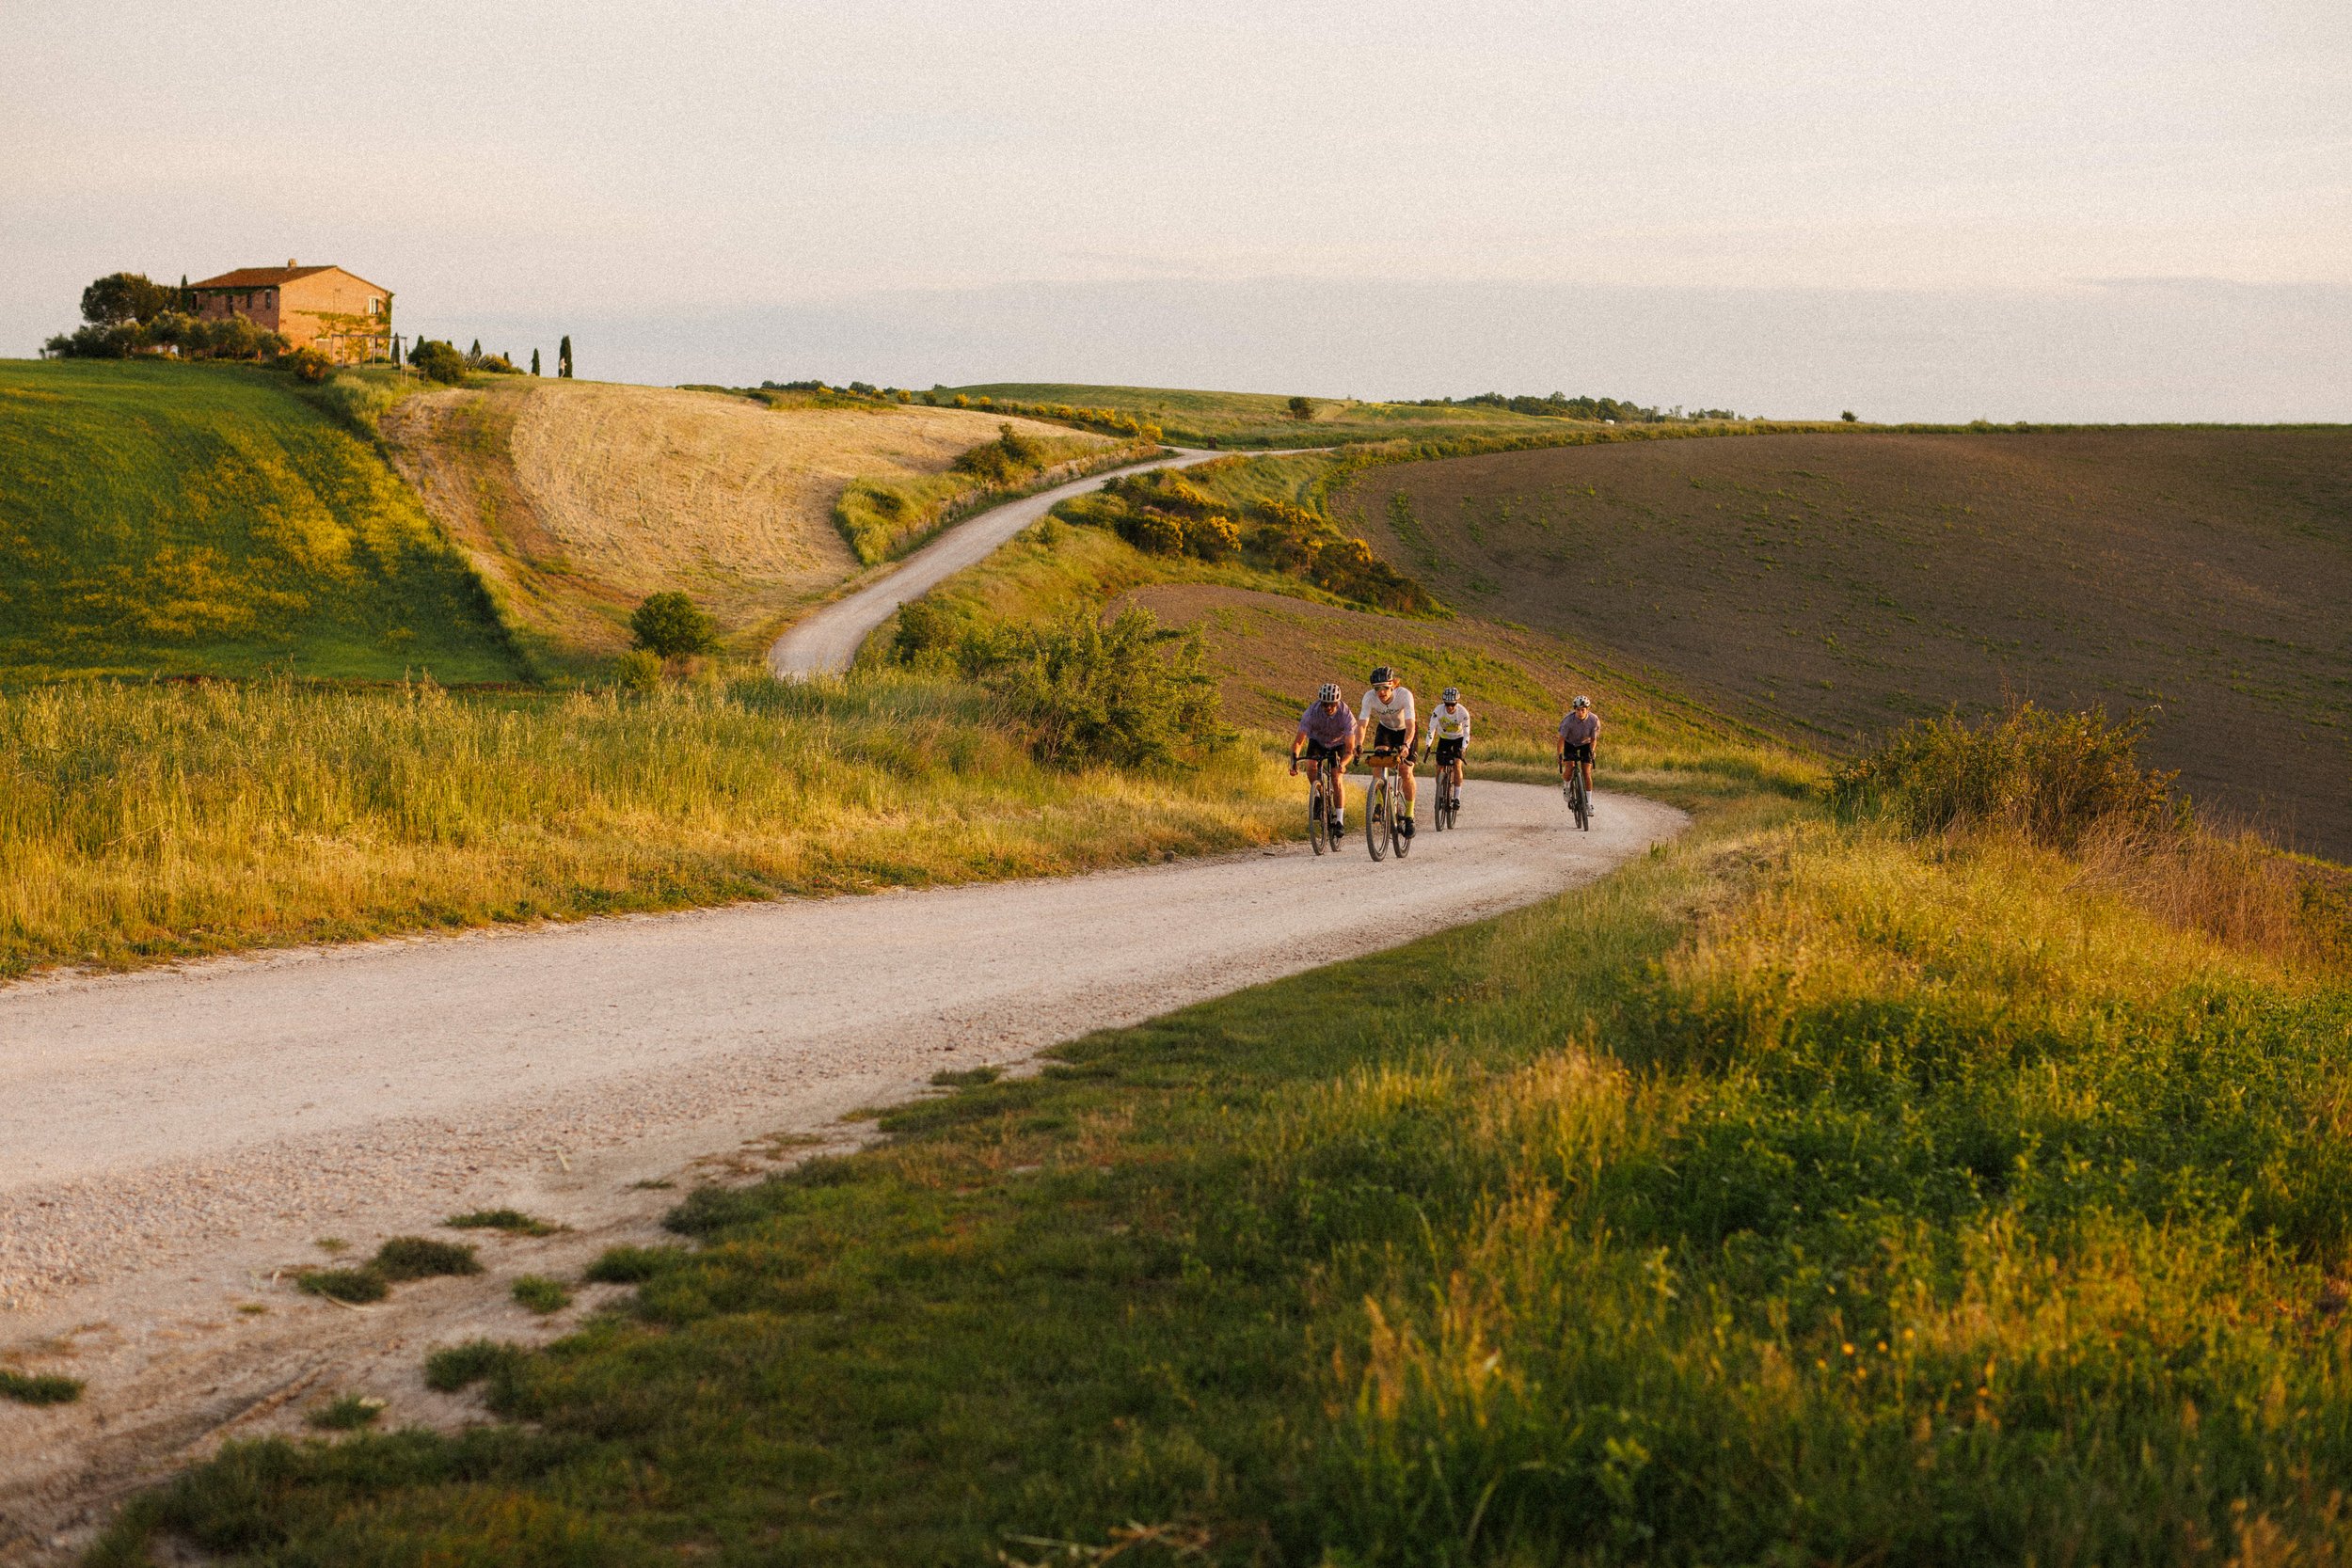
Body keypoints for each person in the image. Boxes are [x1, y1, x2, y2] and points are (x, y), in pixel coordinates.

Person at [1290, 682, 1358, 837]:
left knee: (1336, 778)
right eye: (1325, 704)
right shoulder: (1311, 712)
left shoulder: (1346, 714)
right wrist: (1293, 762)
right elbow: (1298, 742)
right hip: (1318, 742)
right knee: (1311, 766)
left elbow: (1350, 750)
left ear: (1337, 702)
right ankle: (1319, 795)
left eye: (1332, 704)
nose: (1328, 707)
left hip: (1339, 744)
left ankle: (1339, 821)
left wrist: (1343, 764)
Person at [1359, 665, 1419, 837]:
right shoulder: (1369, 697)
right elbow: (1362, 724)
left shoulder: (1404, 695)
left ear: (1392, 685)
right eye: (1377, 688)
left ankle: (1409, 815)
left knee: (1405, 771)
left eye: (1385, 687)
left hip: (1405, 731)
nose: (1381, 692)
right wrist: (1358, 744)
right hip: (1385, 730)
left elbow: (1410, 725)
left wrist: (1406, 745)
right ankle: (1379, 802)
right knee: (1378, 760)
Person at [1428, 687, 1472, 815]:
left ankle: (1457, 798)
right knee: (1439, 766)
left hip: (1459, 738)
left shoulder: (1463, 713)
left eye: (1452, 704)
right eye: (1447, 704)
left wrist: (1463, 749)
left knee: (1457, 764)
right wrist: (1428, 745)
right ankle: (1440, 795)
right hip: (1444, 738)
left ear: (1456, 703)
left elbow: (1467, 733)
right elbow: (1431, 729)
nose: (1450, 707)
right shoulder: (1438, 710)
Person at [1558, 694, 1599, 813]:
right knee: (1570, 767)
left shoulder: (1594, 720)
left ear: (1587, 710)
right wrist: (1559, 755)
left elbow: (1594, 739)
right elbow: (1561, 739)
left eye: (1583, 710)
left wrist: (1592, 751)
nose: (1580, 713)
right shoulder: (1568, 721)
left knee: (1587, 772)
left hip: (1586, 744)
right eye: (1578, 710)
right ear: (1574, 709)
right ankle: (1566, 786)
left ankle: (1589, 804)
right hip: (1570, 743)